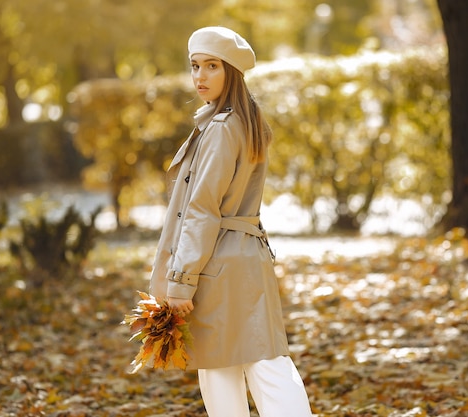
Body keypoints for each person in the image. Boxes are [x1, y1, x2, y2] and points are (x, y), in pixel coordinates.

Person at [148, 26, 313, 417]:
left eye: (212, 67)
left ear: (232, 73)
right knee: (265, 363)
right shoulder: (245, 120)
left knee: (227, 372)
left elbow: (202, 209)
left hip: (216, 263)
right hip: (246, 258)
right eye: (195, 66)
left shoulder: (221, 128)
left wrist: (181, 280)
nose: (200, 77)